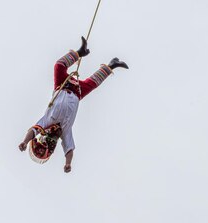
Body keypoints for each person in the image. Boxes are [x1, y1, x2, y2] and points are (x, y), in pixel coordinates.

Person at [18, 37, 128, 173]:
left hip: (62, 85)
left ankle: (80, 52)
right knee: (93, 83)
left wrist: (25, 142)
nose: (54, 135)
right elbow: (69, 149)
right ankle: (112, 65)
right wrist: (68, 163)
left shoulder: (46, 122)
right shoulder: (65, 131)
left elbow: (33, 131)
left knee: (58, 65)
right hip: (78, 93)